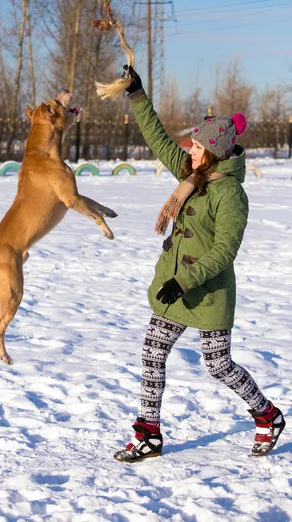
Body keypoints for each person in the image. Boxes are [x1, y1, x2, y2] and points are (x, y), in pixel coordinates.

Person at [114, 66, 286, 462]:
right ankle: (149, 434)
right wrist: (137, 95)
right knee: (153, 353)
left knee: (218, 364)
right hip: (176, 287)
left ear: (210, 152)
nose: (188, 151)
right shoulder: (192, 175)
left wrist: (183, 279)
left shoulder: (231, 196)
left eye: (195, 146)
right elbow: (157, 138)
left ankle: (267, 414)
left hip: (207, 293)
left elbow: (223, 253)